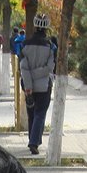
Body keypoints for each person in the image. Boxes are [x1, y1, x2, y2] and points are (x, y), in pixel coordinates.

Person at [20, 13, 55, 155]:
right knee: (40, 113)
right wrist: (39, 73)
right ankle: (34, 142)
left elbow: (23, 68)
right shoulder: (50, 46)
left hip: (28, 86)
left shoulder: (24, 45)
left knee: (31, 114)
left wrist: (28, 84)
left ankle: (33, 140)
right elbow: (49, 68)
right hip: (44, 86)